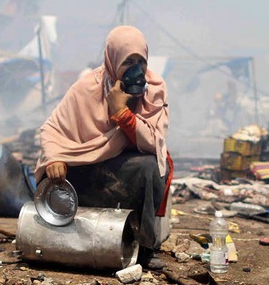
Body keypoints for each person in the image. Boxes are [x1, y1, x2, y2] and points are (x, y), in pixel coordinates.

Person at [34, 25, 173, 269]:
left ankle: (144, 249)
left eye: (141, 61)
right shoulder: (87, 87)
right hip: (84, 172)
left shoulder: (154, 90)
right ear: (112, 60)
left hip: (119, 176)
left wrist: (122, 112)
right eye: (128, 61)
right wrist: (55, 158)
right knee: (52, 176)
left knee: (152, 167)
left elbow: (154, 143)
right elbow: (51, 128)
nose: (136, 70)